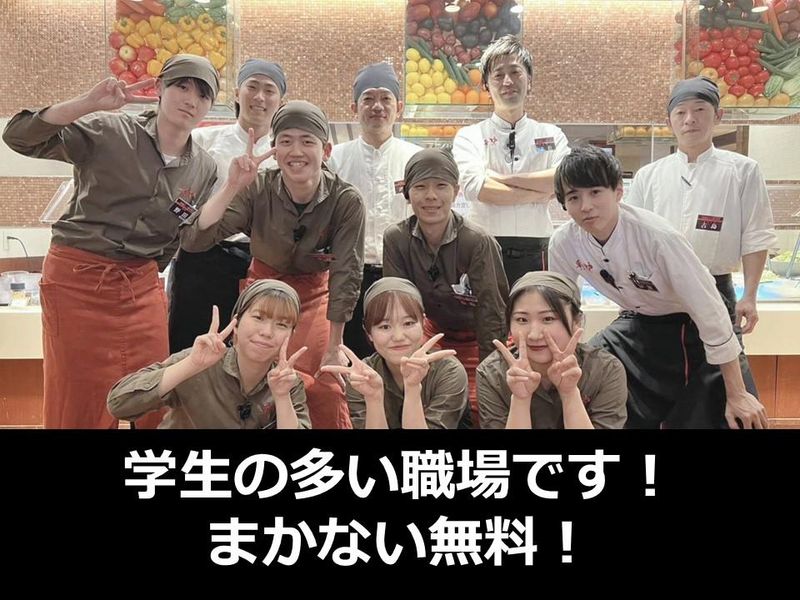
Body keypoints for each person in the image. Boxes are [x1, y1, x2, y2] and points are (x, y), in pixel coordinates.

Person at [2, 55, 220, 429]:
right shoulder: (110, 130)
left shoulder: (204, 167)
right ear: (159, 89)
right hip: (78, 280)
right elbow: (19, 136)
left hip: (140, 287)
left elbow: (179, 233)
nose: (191, 100)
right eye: (182, 86)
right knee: (77, 394)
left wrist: (147, 270)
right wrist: (87, 104)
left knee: (154, 388)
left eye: (203, 94)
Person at [548, 145, 769, 429]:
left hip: (694, 326)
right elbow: (560, 308)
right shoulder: (563, 242)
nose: (585, 206)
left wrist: (736, 393)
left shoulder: (657, 237)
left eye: (595, 192)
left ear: (618, 191)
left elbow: (710, 311)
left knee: (735, 418)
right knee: (591, 372)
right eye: (573, 197)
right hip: (638, 324)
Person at [180, 100, 365, 429]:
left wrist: (335, 344)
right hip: (262, 295)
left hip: (314, 299)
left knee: (325, 384)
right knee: (252, 381)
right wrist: (233, 185)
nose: (296, 151)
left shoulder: (346, 200)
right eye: (286, 141)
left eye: (307, 141)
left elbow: (346, 274)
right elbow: (195, 240)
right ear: (274, 151)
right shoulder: (257, 188)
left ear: (326, 150)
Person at [625, 76, 776, 396]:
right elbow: (630, 238)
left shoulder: (744, 170)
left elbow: (756, 236)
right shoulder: (648, 176)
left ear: (718, 116)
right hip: (661, 292)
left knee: (726, 385)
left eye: (699, 110)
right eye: (680, 112)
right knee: (661, 381)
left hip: (717, 288)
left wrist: (749, 296)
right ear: (669, 121)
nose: (689, 119)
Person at [169, 59, 288, 353]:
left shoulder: (287, 152)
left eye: (269, 90)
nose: (260, 97)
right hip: (202, 258)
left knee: (256, 352)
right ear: (236, 93)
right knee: (190, 348)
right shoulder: (200, 140)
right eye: (252, 87)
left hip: (265, 264)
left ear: (281, 101)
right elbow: (176, 199)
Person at [383, 148, 508, 427]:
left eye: (441, 186)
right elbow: (398, 306)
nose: (431, 196)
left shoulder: (477, 241)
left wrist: (491, 373)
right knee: (420, 402)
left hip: (478, 340)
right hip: (431, 336)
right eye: (420, 187)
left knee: (480, 409)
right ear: (407, 193)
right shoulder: (396, 239)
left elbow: (492, 313)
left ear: (456, 191)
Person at [108, 279, 310, 428]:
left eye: (282, 324)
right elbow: (119, 405)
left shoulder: (289, 383)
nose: (267, 332)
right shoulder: (198, 361)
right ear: (236, 323)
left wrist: (281, 396)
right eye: (258, 317)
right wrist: (191, 365)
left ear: (291, 334)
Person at [452, 35, 570, 286]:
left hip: (538, 247)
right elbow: (477, 188)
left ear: (530, 81)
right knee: (485, 313)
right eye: (498, 75)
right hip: (484, 246)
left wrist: (504, 179)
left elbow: (563, 181)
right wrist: (540, 193)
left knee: (538, 311)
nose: (507, 81)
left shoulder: (551, 134)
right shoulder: (469, 136)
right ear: (486, 85)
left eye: (515, 72)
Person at [327, 62, 422, 358]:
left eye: (385, 99)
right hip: (347, 277)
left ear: (399, 107)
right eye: (368, 99)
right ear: (354, 108)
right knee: (350, 356)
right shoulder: (335, 159)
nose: (377, 106)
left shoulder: (416, 159)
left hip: (402, 274)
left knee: (399, 354)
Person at [478, 271, 627, 429]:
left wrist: (570, 394)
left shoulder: (605, 370)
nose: (534, 335)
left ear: (576, 322)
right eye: (522, 319)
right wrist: (520, 400)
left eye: (548, 319)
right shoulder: (492, 373)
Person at [322, 277, 469, 429]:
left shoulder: (448, 371)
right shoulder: (362, 376)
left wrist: (412, 388)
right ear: (368, 332)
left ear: (423, 323)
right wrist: (373, 399)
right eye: (385, 327)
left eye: (408, 323)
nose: (398, 337)